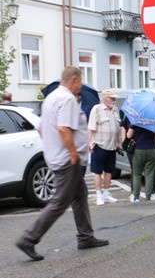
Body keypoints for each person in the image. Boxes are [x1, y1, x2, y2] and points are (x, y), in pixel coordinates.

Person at [15, 66, 109, 261]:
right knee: (60, 201)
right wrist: (72, 153)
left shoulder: (51, 98)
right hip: (67, 159)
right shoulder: (66, 99)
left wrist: (53, 147)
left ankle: (85, 237)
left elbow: (41, 129)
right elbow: (64, 129)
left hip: (56, 156)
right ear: (73, 80)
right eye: (80, 82)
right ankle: (28, 238)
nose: (81, 86)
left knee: (79, 194)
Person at [88, 89, 121, 205]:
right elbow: (91, 127)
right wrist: (89, 142)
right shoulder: (97, 109)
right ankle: (99, 195)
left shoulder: (115, 110)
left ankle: (106, 194)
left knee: (109, 170)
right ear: (106, 98)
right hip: (99, 144)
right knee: (97, 171)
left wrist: (118, 142)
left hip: (111, 145)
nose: (114, 100)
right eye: (112, 98)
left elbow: (117, 128)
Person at [126, 124, 155, 202]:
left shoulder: (136, 120)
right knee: (149, 174)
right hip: (151, 149)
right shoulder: (153, 120)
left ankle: (136, 197)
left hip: (139, 149)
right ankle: (148, 196)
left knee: (137, 174)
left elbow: (128, 135)